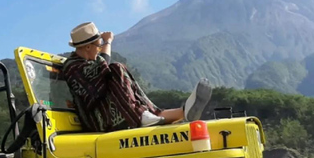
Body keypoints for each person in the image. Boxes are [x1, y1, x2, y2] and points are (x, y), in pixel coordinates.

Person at [62, 21, 212, 133]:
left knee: (117, 72)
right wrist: (108, 42)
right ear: (88, 47)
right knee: (115, 68)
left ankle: (183, 112)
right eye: (98, 45)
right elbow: (102, 70)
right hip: (98, 119)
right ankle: (141, 116)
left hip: (114, 111)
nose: (100, 48)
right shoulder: (73, 66)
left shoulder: (88, 63)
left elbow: (101, 69)